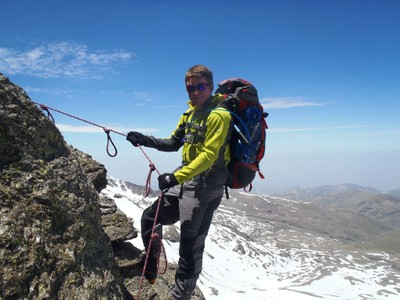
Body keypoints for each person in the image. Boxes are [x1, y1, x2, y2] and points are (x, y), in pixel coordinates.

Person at [127, 65, 232, 299]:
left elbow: (209, 155)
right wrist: (146, 139)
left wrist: (175, 177)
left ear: (211, 87)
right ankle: (151, 266)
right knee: (150, 217)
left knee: (189, 247)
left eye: (200, 87)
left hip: (206, 185)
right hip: (186, 176)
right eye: (190, 88)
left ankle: (179, 296)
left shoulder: (219, 116)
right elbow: (174, 142)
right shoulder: (190, 114)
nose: (195, 92)